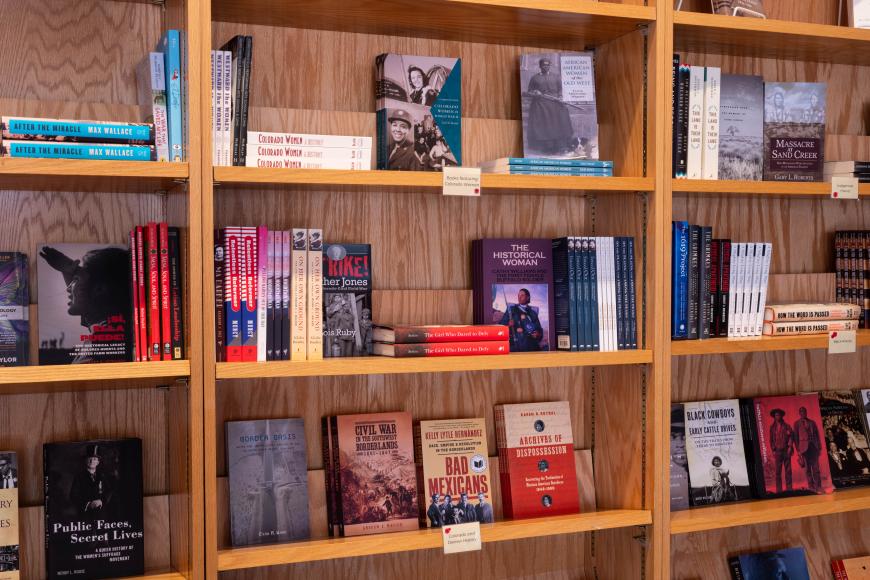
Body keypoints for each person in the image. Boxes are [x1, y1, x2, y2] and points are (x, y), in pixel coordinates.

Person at [39, 245, 130, 363]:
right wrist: (73, 271)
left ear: (99, 290)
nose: (68, 288)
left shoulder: (98, 348)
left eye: (76, 279)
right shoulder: (112, 331)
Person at [525, 57, 574, 155]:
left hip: (555, 103)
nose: (546, 67)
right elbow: (529, 91)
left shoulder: (556, 77)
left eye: (547, 65)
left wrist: (560, 97)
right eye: (544, 65)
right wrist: (535, 92)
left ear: (550, 66)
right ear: (540, 66)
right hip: (541, 104)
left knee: (562, 118)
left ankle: (561, 146)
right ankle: (548, 148)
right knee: (545, 124)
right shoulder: (535, 78)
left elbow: (560, 89)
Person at [70, 444, 113, 517]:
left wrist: (102, 501)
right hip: (85, 514)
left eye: (95, 459)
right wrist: (88, 504)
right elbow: (73, 496)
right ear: (85, 460)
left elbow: (109, 491)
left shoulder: (102, 476)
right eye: (89, 458)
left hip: (101, 513)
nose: (92, 461)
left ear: (98, 462)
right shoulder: (79, 477)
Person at [793, 406, 823, 492]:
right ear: (799, 413)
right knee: (807, 469)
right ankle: (811, 486)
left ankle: (818, 486)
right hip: (803, 449)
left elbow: (817, 435)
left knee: (816, 468)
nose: (803, 413)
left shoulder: (812, 423)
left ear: (806, 413)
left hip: (814, 447)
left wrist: (819, 447)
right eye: (801, 412)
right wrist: (798, 450)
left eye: (804, 412)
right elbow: (795, 438)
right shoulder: (797, 424)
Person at [769, 408, 794, 494]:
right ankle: (779, 490)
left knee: (788, 471)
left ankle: (789, 489)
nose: (778, 416)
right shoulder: (772, 428)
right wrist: (773, 450)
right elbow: (771, 440)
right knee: (778, 472)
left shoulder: (787, 426)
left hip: (786, 450)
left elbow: (791, 437)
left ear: (782, 416)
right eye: (776, 415)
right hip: (778, 452)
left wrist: (790, 447)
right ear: (774, 417)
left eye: (779, 415)